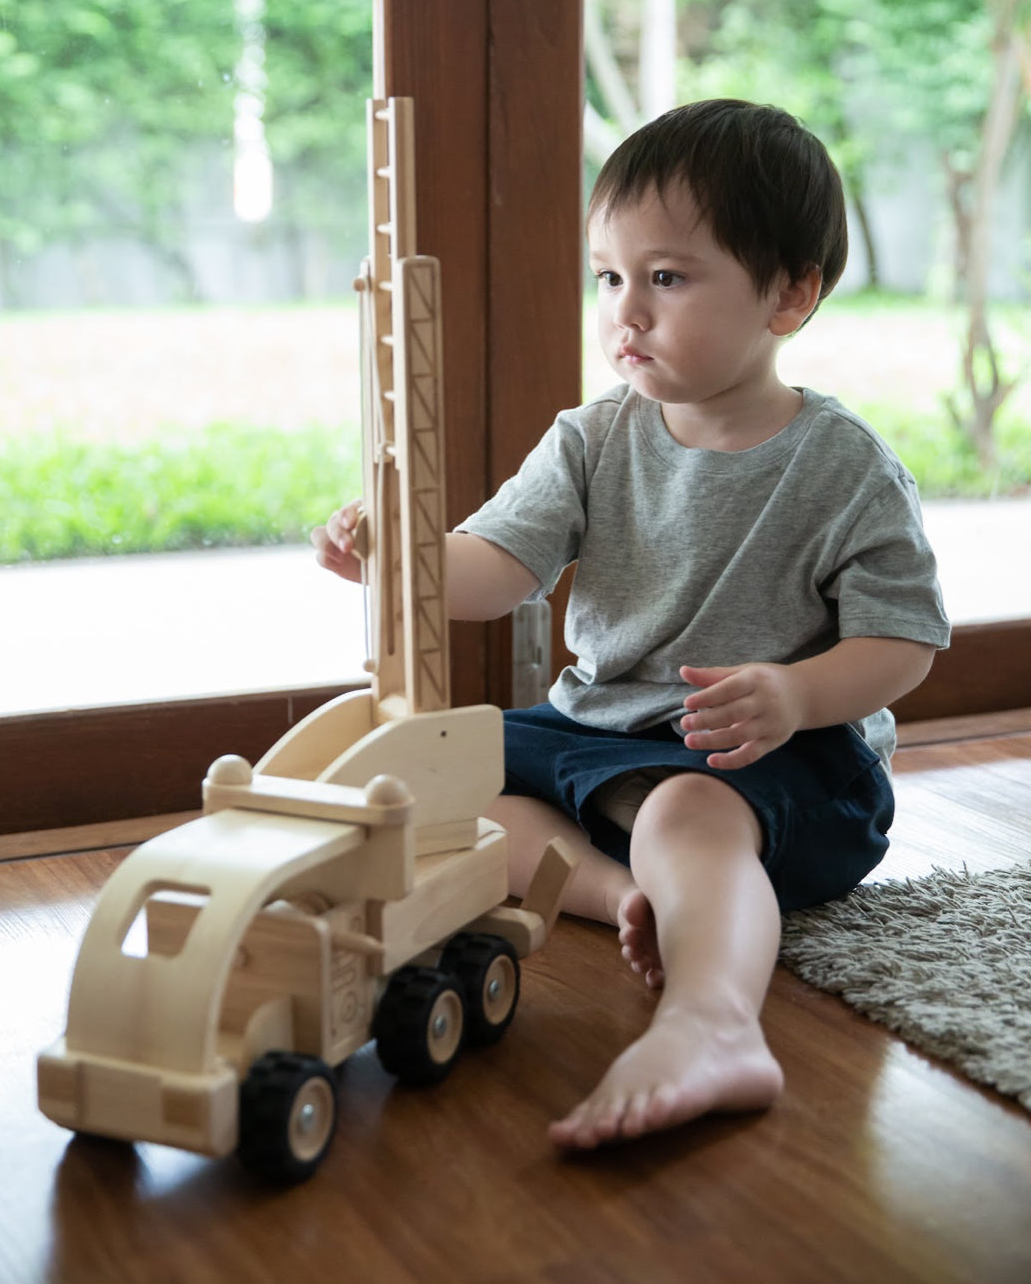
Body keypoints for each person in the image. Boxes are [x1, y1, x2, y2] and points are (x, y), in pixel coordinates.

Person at [312, 98, 950, 1150]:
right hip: (597, 739)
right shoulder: (591, 436)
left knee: (681, 812)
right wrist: (403, 557)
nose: (625, 311)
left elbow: (903, 643)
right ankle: (618, 896)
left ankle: (711, 1022)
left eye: (666, 277)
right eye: (608, 276)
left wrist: (793, 694)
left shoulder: (841, 465)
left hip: (773, 767)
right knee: (443, 770)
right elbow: (495, 568)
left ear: (788, 295)